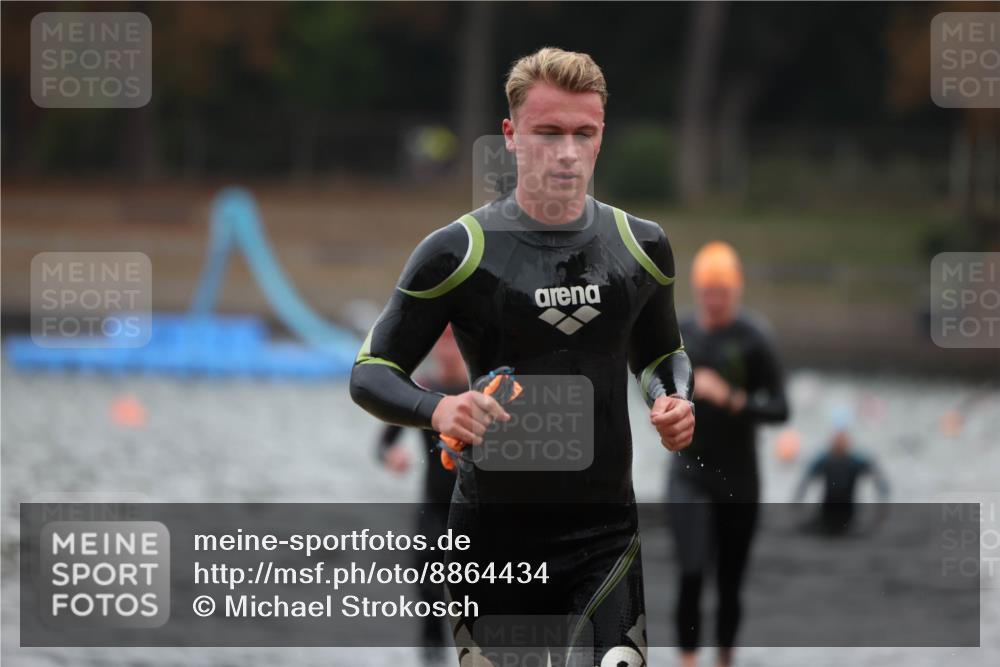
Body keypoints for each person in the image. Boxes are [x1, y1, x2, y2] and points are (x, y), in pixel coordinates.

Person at [350, 47, 694, 666]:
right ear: (511, 135)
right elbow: (371, 372)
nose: (567, 151)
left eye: (582, 133)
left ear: (601, 137)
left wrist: (672, 399)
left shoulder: (642, 247)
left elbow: (662, 352)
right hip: (491, 540)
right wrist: (438, 410)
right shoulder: (457, 252)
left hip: (605, 538)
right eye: (548, 132)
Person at [666, 241, 789, 667]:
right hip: (688, 473)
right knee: (691, 570)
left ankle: (724, 659)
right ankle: (687, 660)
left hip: (739, 477)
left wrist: (732, 397)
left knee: (731, 581)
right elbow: (650, 380)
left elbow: (780, 409)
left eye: (723, 293)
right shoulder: (679, 335)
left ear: (736, 291)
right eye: (707, 293)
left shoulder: (754, 339)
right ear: (697, 291)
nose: (714, 302)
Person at [374, 325, 467, 664]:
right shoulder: (425, 392)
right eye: (440, 344)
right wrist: (391, 457)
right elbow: (383, 443)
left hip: (474, 515)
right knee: (429, 600)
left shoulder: (480, 392)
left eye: (452, 343)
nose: (446, 352)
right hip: (432, 511)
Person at [793, 406, 890, 535]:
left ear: (848, 441)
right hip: (825, 516)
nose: (839, 442)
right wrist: (797, 503)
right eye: (837, 438)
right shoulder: (824, 459)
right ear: (831, 440)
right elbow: (804, 482)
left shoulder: (857, 461)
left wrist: (882, 507)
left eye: (842, 438)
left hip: (848, 518)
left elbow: (880, 481)